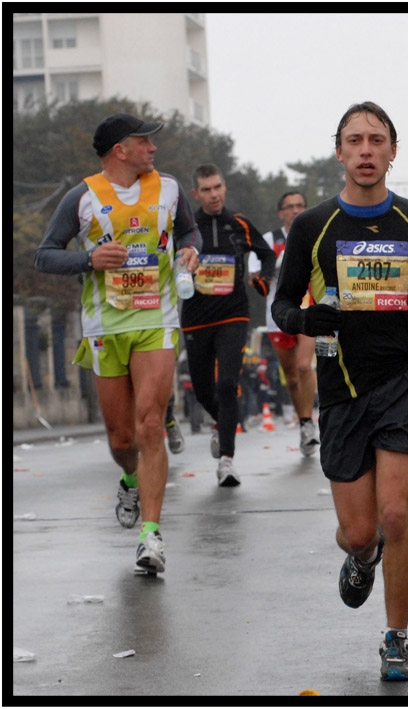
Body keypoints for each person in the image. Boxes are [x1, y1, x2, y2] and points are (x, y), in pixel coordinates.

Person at [271, 101, 408, 682]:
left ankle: (397, 638)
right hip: (340, 387)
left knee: (395, 515)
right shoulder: (311, 227)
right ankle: (361, 558)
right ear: (339, 152)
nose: (366, 150)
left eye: (377, 140)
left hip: (405, 381)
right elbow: (282, 304)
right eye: (355, 140)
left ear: (392, 151)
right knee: (361, 532)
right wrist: (305, 322)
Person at [34, 112, 201, 574]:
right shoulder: (82, 197)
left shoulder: (169, 189)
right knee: (122, 437)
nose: (153, 149)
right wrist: (89, 259)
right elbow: (43, 256)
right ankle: (129, 477)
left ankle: (152, 537)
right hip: (106, 327)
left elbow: (188, 231)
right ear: (118, 151)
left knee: (150, 424)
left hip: (157, 318)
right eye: (144, 142)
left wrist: (190, 250)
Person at [181, 163, 275, 487]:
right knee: (204, 388)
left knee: (227, 385)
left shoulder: (240, 224)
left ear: (225, 187)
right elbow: (167, 258)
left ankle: (226, 461)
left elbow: (268, 255)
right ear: (196, 193)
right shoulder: (187, 228)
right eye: (206, 189)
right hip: (196, 318)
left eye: (217, 187)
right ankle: (220, 423)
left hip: (234, 314)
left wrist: (262, 278)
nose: (214, 194)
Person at [248, 191, 320, 455]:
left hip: (308, 310)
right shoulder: (268, 240)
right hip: (277, 314)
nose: (295, 210)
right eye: (289, 207)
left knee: (303, 366)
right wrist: (266, 274)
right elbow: (255, 276)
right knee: (290, 377)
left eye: (300, 205)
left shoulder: (315, 234)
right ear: (281, 213)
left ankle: (310, 422)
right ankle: (303, 424)